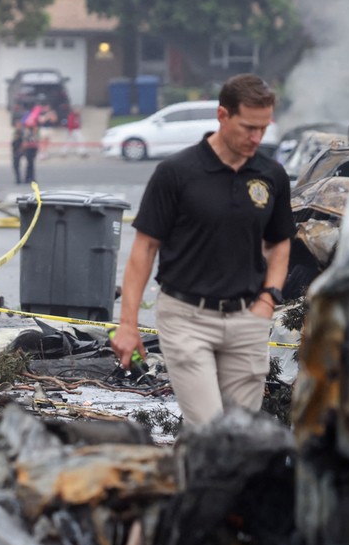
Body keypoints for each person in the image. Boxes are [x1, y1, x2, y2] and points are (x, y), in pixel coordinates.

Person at [111, 73, 292, 429]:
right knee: (209, 429)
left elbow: (279, 242)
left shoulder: (271, 175)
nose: (257, 138)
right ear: (222, 115)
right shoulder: (176, 172)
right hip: (186, 318)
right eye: (248, 127)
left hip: (247, 319)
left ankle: (192, 465)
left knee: (240, 435)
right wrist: (128, 325)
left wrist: (268, 299)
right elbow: (144, 249)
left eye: (263, 128)